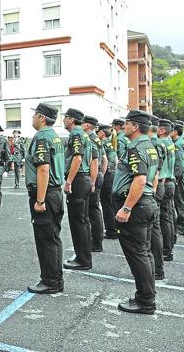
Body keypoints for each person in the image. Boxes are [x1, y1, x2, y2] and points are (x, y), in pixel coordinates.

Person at [112, 110, 158, 315]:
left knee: (138, 254)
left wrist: (127, 207)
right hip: (146, 203)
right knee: (145, 253)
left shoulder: (136, 148)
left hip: (136, 207)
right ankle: (145, 296)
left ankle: (146, 300)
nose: (124, 126)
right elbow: (153, 177)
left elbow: (140, 179)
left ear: (136, 126)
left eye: (127, 123)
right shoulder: (150, 147)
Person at [25, 103, 65, 294]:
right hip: (55, 192)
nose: (32, 118)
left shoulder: (42, 137)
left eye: (34, 115)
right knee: (53, 238)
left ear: (41, 117)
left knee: (46, 240)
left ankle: (50, 281)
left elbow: (43, 169)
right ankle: (55, 279)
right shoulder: (54, 136)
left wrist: (39, 200)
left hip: (45, 194)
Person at [62, 108, 93, 270]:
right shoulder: (84, 134)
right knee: (83, 220)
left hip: (78, 179)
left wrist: (68, 181)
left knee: (77, 222)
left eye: (65, 118)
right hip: (85, 178)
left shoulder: (76, 134)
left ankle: (82, 260)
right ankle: (84, 256)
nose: (64, 120)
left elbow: (77, 157)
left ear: (71, 120)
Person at [147, 115, 167, 280]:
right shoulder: (160, 143)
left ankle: (158, 270)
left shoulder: (153, 143)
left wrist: (151, 192)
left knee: (154, 230)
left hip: (154, 187)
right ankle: (157, 268)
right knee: (156, 229)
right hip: (159, 185)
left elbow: (155, 172)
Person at [83, 116, 106, 253]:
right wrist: (102, 174)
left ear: (86, 126)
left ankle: (96, 242)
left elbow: (95, 161)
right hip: (98, 175)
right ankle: (97, 241)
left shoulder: (91, 138)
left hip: (94, 175)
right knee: (95, 209)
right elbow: (105, 159)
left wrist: (93, 180)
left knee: (93, 209)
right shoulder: (96, 138)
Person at [157, 119, 176, 262]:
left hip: (164, 182)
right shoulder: (171, 143)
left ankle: (166, 250)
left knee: (163, 218)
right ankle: (169, 249)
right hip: (171, 181)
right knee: (168, 217)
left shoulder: (162, 143)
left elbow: (161, 168)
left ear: (162, 130)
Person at [98, 124, 118, 240]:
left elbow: (104, 161)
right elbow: (116, 160)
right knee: (110, 203)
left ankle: (111, 230)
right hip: (113, 173)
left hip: (108, 174)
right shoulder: (110, 143)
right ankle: (114, 228)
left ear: (102, 132)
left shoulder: (102, 143)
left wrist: (102, 175)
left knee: (106, 204)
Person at [172, 120, 184, 239]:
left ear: (176, 131)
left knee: (181, 202)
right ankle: (183, 225)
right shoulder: (182, 141)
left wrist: (176, 179)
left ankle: (183, 227)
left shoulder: (178, 144)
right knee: (182, 202)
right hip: (183, 176)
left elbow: (179, 165)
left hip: (180, 177)